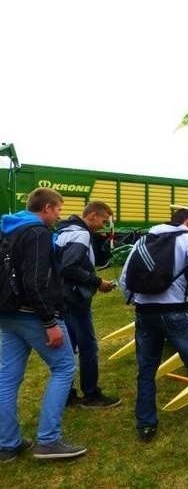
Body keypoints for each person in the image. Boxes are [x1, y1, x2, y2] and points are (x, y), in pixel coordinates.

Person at [119, 209, 188, 442]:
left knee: (146, 370)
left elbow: (125, 277)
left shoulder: (144, 240)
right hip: (175, 312)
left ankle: (146, 425)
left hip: (145, 313)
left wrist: (131, 298)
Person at [0, 188, 87, 461]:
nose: (59, 215)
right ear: (47, 208)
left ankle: (7, 444)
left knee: (6, 378)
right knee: (63, 368)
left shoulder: (8, 229)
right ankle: (48, 440)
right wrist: (49, 321)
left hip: (8, 314)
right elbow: (35, 280)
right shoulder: (38, 233)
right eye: (58, 209)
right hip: (34, 315)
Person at [55, 201, 121, 408]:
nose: (103, 225)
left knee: (68, 348)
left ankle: (67, 394)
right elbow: (69, 267)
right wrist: (97, 281)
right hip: (75, 300)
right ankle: (91, 395)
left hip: (62, 297)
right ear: (92, 215)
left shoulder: (64, 230)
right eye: (103, 220)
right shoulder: (81, 235)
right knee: (88, 348)